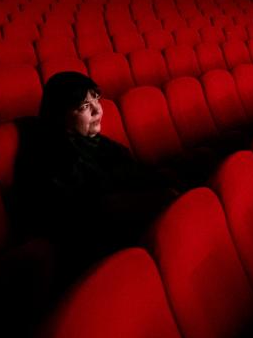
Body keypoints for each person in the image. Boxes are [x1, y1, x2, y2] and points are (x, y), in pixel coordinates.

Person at [12, 71, 178, 273]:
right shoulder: (50, 159)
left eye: (96, 99)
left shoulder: (94, 143)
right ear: (60, 116)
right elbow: (88, 214)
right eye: (84, 106)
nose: (97, 110)